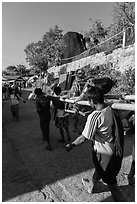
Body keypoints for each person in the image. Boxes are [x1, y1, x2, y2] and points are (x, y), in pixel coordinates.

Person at [65, 86, 125, 202]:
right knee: (99, 169)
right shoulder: (109, 108)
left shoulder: (95, 116)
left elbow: (83, 138)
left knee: (113, 186)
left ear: (91, 101)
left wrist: (71, 145)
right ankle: (91, 186)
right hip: (113, 148)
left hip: (104, 155)